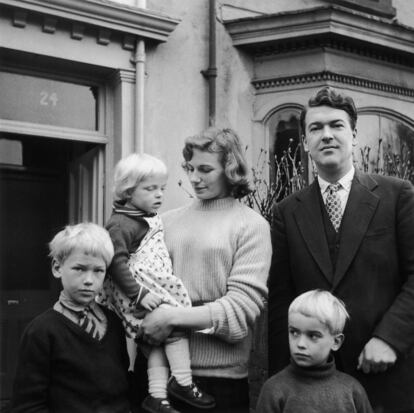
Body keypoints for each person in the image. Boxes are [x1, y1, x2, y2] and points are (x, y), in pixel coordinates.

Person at [268, 86, 414, 412]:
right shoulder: (286, 212)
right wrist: (281, 380)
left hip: (385, 375)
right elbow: (281, 300)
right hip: (312, 386)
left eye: (336, 125)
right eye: (316, 128)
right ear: (305, 142)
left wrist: (389, 339)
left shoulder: (397, 196)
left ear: (354, 135)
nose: (327, 135)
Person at [137, 127, 272, 413]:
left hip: (219, 380)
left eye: (205, 169)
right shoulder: (164, 222)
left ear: (231, 169)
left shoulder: (251, 225)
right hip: (158, 372)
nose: (194, 178)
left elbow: (240, 312)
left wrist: (171, 316)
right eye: (190, 168)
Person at [98, 153, 215, 413]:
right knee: (174, 329)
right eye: (150, 189)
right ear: (128, 192)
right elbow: (116, 262)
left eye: (161, 188)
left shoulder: (142, 216)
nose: (159, 195)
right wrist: (139, 293)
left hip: (149, 289)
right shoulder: (121, 223)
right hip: (138, 293)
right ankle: (183, 381)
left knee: (156, 343)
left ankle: (157, 396)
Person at [11, 223, 131, 413]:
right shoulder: (41, 331)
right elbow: (27, 406)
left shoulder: (114, 322)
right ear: (57, 268)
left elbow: (121, 386)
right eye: (79, 269)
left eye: (98, 270)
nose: (89, 280)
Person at [257, 289, 373, 412]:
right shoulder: (274, 390)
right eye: (294, 332)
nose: (301, 344)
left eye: (313, 336)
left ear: (336, 342)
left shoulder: (352, 391)